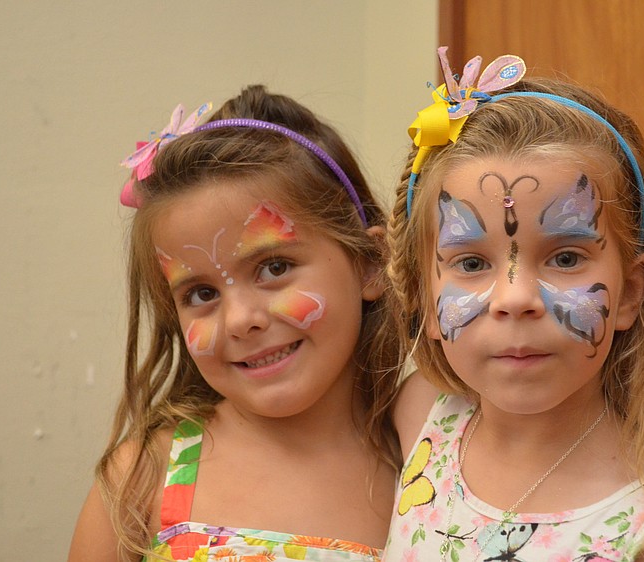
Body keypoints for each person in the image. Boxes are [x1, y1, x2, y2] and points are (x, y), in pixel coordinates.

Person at [383, 47, 644, 561]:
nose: (515, 299)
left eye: (567, 257)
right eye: (470, 263)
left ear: (632, 292)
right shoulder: (421, 416)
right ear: (422, 296)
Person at [69, 85, 403, 561]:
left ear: (370, 263)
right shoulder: (142, 477)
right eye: (201, 294)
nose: (240, 320)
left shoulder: (428, 469)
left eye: (275, 268)